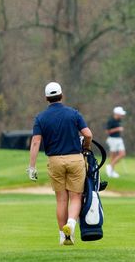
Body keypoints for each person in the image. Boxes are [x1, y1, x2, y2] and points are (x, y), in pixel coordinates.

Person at [27, 81, 93, 246]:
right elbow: (88, 134)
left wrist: (32, 167)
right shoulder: (73, 114)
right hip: (75, 159)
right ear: (62, 95)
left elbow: (35, 143)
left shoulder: (40, 118)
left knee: (61, 199)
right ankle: (71, 223)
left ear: (46, 98)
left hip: (55, 161)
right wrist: (86, 147)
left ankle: (64, 237)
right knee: (76, 196)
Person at [105, 106, 127, 178]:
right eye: (121, 114)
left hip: (118, 139)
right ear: (117, 113)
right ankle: (111, 171)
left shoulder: (119, 121)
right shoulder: (111, 121)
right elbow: (107, 131)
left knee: (122, 154)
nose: (122, 115)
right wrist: (117, 129)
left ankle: (110, 166)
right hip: (112, 139)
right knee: (113, 156)